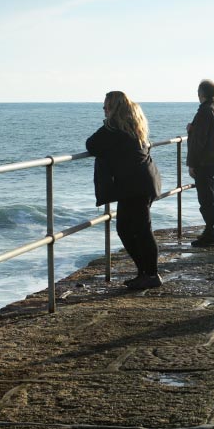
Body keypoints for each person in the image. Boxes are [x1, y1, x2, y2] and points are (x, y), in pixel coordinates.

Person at [86, 91, 163, 290]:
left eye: (106, 107)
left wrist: (106, 123)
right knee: (134, 229)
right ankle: (145, 273)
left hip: (134, 186)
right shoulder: (133, 126)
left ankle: (151, 274)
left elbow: (91, 145)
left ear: (113, 108)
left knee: (137, 230)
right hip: (143, 181)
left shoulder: (113, 128)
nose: (103, 110)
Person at [186, 79, 214, 247]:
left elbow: (199, 141)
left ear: (201, 93)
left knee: (206, 200)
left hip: (205, 163)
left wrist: (192, 163)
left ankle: (211, 234)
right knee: (213, 199)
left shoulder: (205, 111)